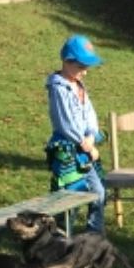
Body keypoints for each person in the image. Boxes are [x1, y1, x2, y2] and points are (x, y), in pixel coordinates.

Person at [46, 34, 107, 233]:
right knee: (70, 201)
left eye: (87, 67)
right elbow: (65, 123)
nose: (85, 72)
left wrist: (91, 135)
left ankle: (94, 237)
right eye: (81, 67)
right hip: (68, 153)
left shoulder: (78, 85)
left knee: (98, 192)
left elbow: (90, 114)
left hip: (84, 150)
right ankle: (60, 240)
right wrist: (84, 143)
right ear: (66, 61)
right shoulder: (58, 88)